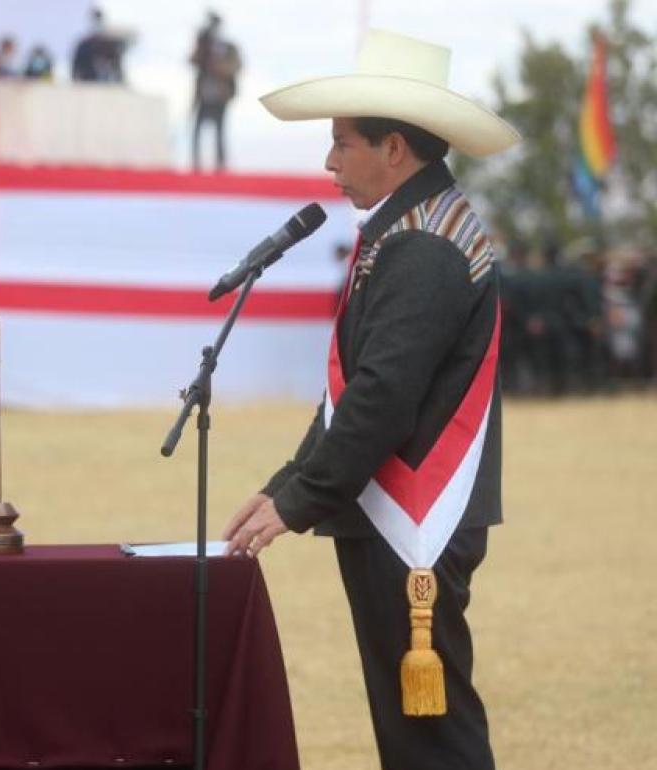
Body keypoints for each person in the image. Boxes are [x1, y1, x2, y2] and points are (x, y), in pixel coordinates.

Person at [223, 30, 519, 769]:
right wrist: (285, 484)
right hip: (395, 515)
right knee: (414, 726)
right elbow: (354, 390)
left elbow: (382, 396)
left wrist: (301, 500)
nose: (329, 162)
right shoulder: (411, 227)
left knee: (431, 734)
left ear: (395, 149)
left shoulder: (424, 245)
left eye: (342, 143)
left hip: (414, 523)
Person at [189, 12, 242, 172]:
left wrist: (217, 64)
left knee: (219, 132)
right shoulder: (204, 46)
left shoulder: (229, 48)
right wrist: (200, 46)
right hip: (203, 96)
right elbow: (192, 61)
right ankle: (196, 165)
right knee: (197, 131)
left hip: (220, 96)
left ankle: (220, 166)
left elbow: (235, 67)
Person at [71, 7, 128, 84]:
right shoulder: (84, 45)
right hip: (88, 83)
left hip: (106, 85)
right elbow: (75, 68)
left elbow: (117, 68)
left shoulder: (109, 45)